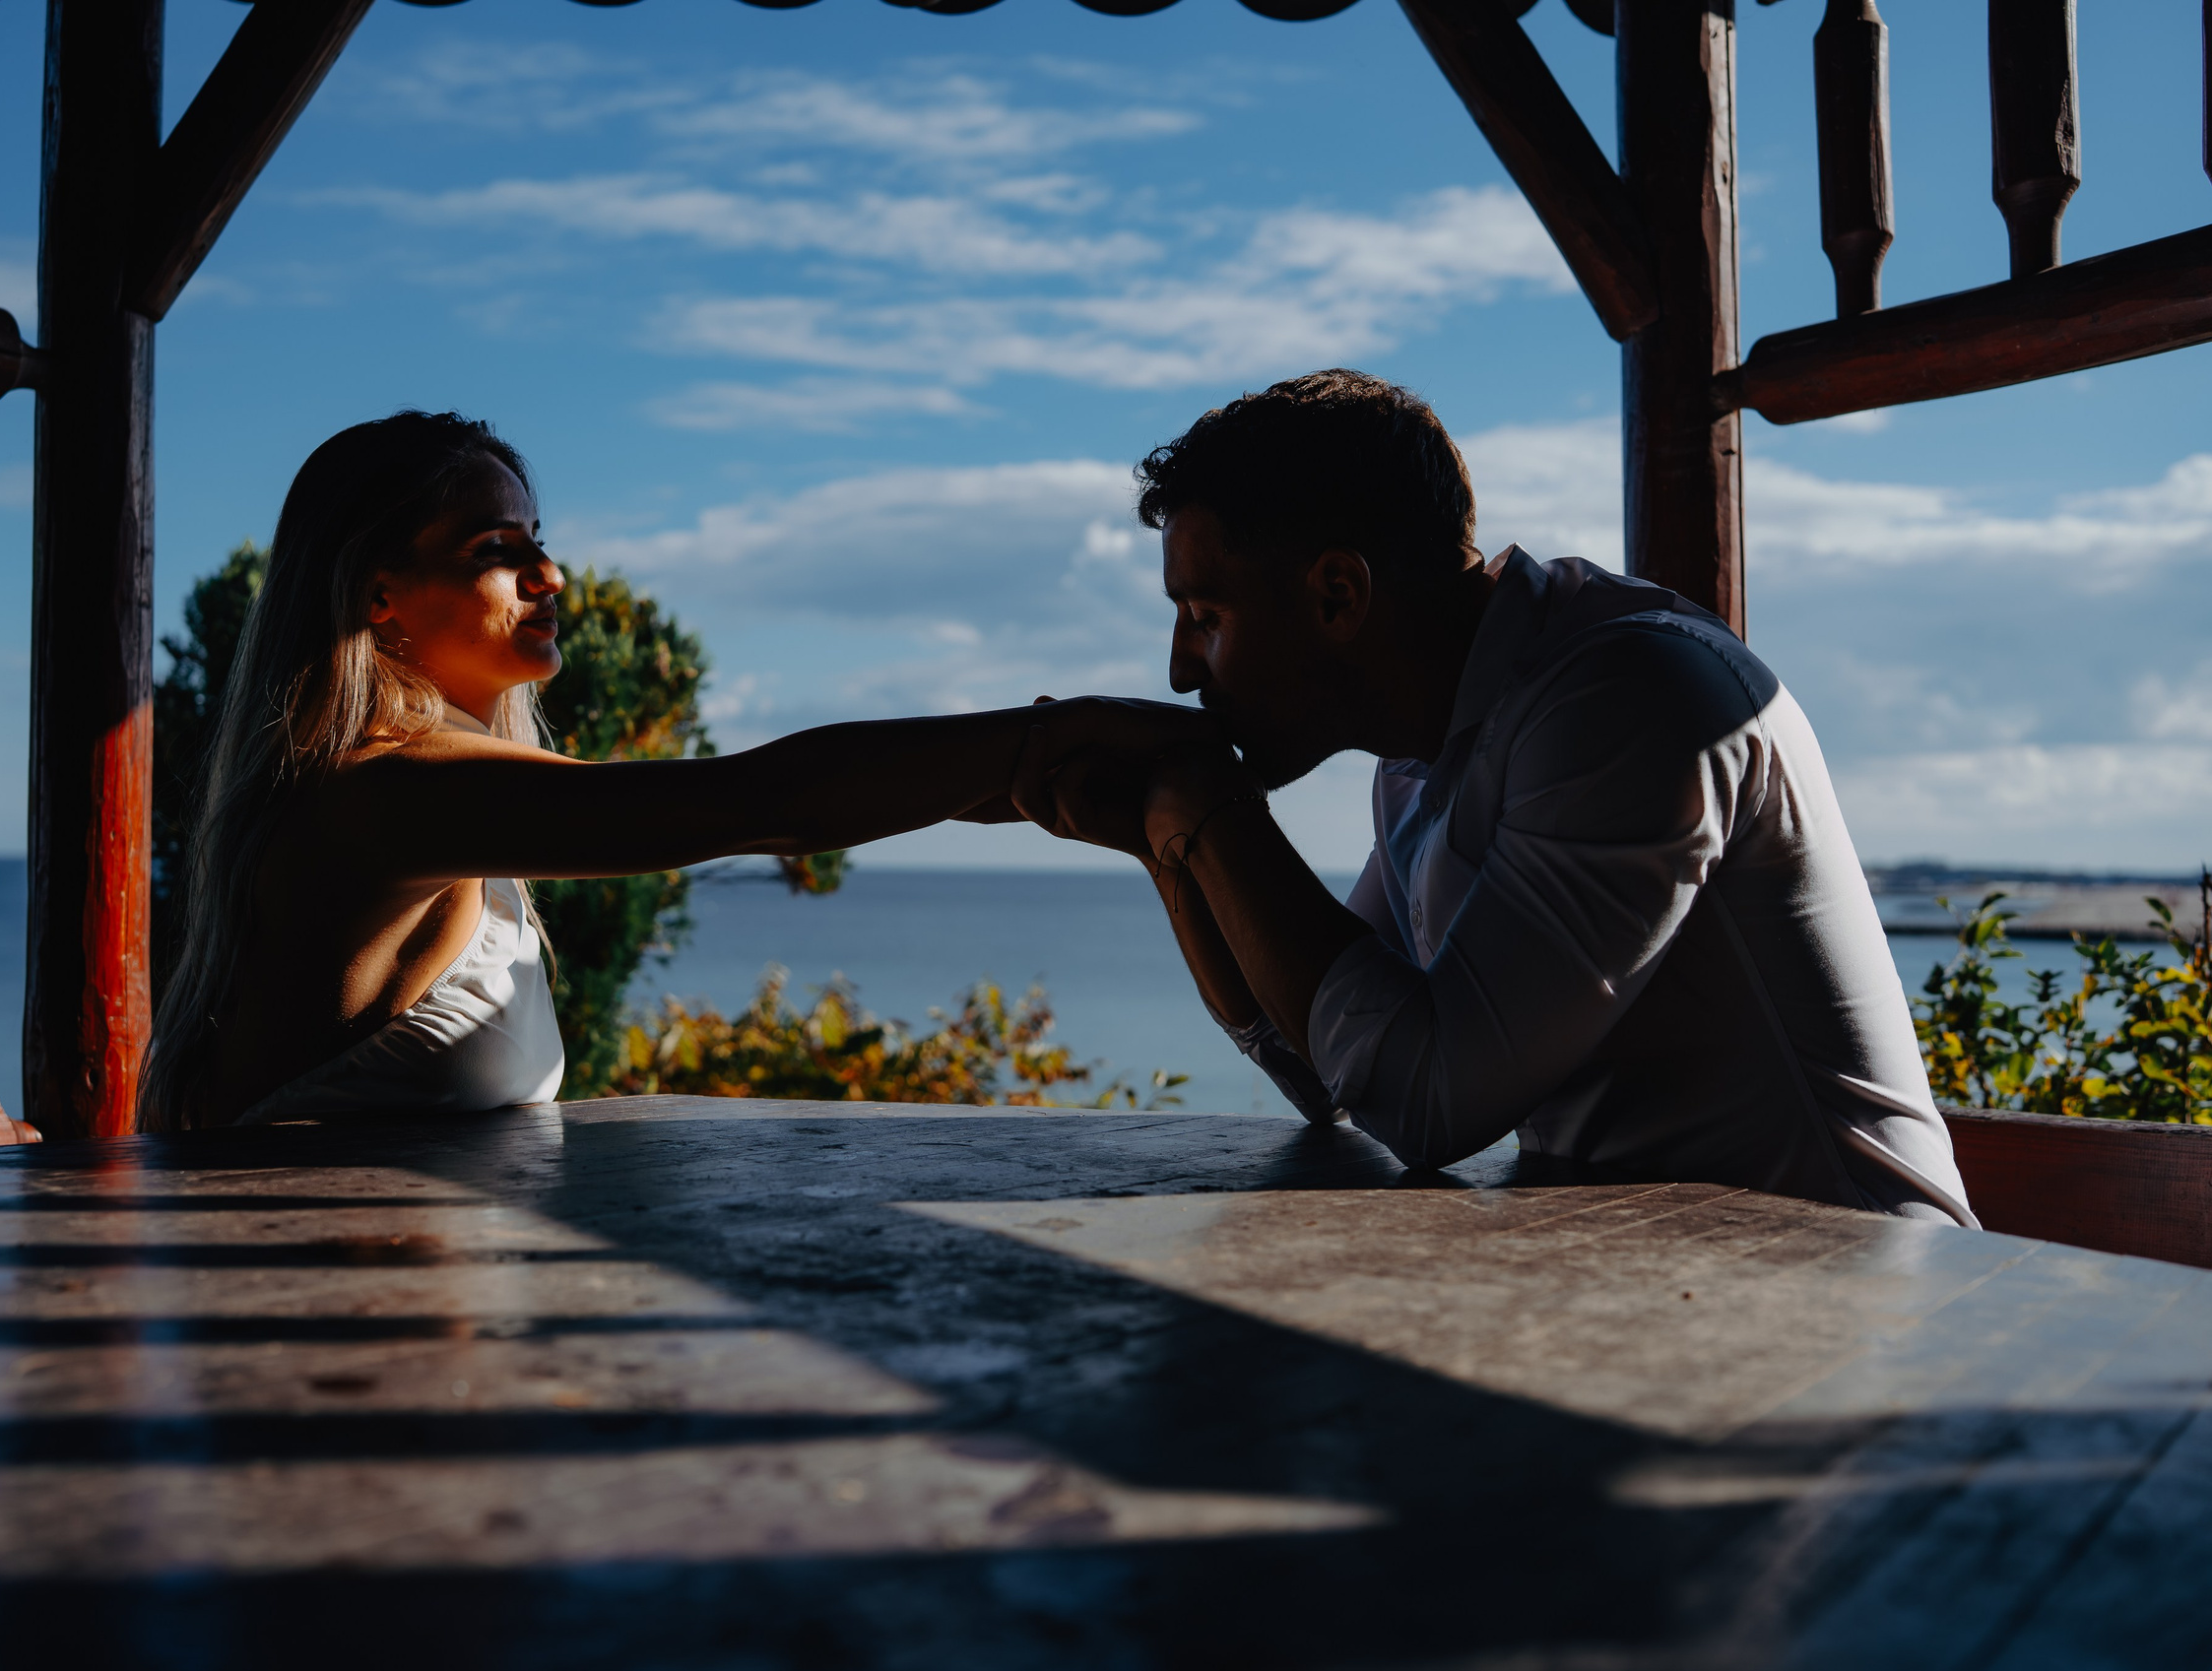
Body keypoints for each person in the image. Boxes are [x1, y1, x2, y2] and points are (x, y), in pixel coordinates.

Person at [1014, 370, 1976, 1225]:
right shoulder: (1416, 754)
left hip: (1858, 1305)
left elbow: (1427, 1104)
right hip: (1661, 1288)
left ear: (1339, 595)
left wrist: (1215, 814)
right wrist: (1172, 850)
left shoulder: (1626, 696)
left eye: (1203, 616)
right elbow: (1323, 1069)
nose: (1181, 672)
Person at [140, 411, 1207, 1131]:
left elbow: (788, 802)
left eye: (537, 542)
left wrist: (1037, 785)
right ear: (378, 595)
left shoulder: (446, 801)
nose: (549, 575)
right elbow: (758, 803)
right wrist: (1061, 733)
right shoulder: (381, 795)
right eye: (495, 552)